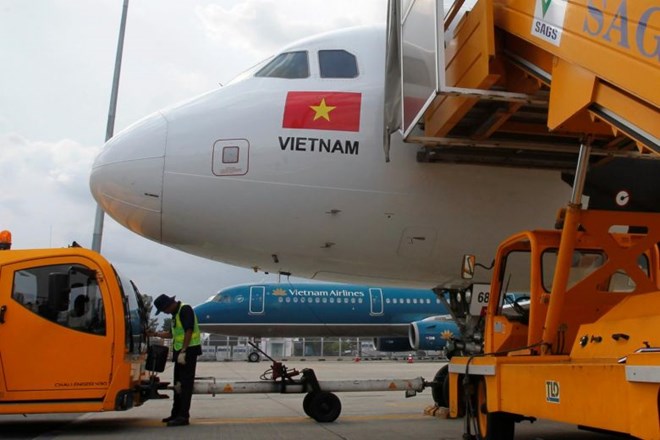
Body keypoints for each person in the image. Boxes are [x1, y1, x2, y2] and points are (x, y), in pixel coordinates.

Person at [152, 294, 202, 427]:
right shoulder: (175, 314)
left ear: (169, 305)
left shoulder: (185, 309)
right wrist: (155, 334)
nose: (165, 313)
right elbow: (171, 334)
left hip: (189, 352)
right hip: (179, 352)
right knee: (178, 385)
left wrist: (184, 351)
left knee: (185, 386)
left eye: (164, 310)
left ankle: (183, 416)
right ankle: (175, 413)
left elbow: (189, 331)